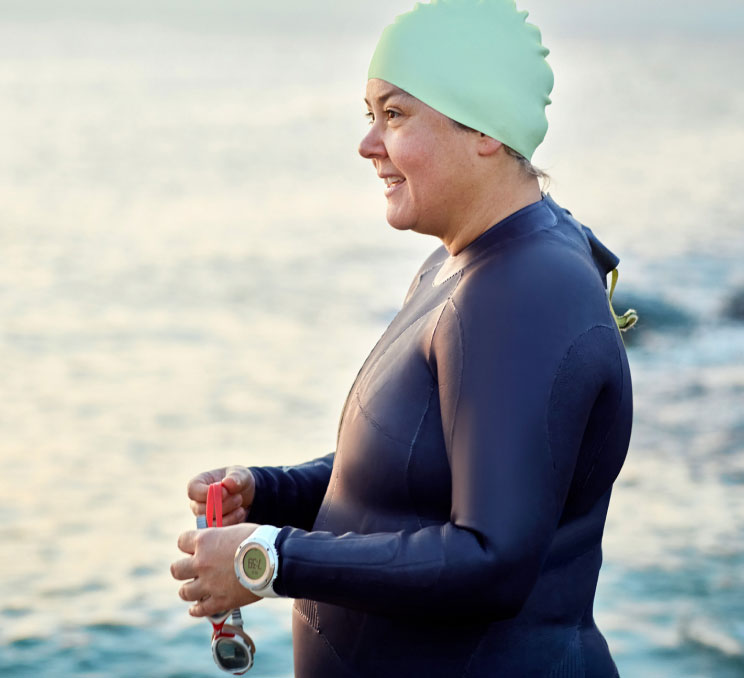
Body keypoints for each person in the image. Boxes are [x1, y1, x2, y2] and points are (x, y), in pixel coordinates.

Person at [170, 1, 636, 676]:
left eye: (394, 115)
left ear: (483, 126)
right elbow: (419, 458)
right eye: (371, 117)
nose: (368, 145)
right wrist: (271, 492)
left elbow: (491, 560)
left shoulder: (527, 288)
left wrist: (266, 558)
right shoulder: (461, 264)